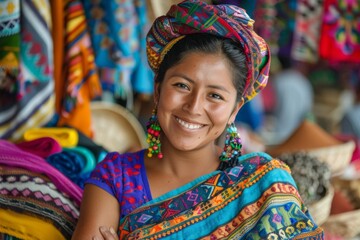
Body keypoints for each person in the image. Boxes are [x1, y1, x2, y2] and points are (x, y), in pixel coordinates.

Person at [72, 1, 324, 239]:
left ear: (235, 109)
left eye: (214, 95)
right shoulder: (116, 178)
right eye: (182, 85)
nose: (194, 107)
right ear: (158, 90)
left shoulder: (262, 185)